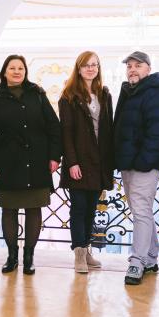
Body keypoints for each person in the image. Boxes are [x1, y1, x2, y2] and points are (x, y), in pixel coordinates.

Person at [0, 55, 61, 275]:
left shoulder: (37, 93)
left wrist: (55, 157)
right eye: (12, 68)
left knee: (34, 210)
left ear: (25, 71)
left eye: (21, 68)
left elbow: (54, 127)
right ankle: (11, 257)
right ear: (4, 72)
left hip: (37, 162)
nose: (17, 71)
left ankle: (29, 258)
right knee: (9, 210)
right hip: (7, 163)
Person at [112, 50, 159, 286]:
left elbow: (158, 132)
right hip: (129, 163)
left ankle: (136, 262)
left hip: (144, 165)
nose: (132, 70)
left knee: (140, 211)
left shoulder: (156, 93)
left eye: (138, 66)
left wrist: (143, 162)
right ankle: (151, 257)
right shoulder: (129, 92)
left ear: (148, 68)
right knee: (142, 210)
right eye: (129, 66)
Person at [58, 51, 114, 273]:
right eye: (86, 65)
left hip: (99, 162)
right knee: (78, 208)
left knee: (92, 208)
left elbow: (108, 128)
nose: (91, 69)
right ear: (78, 68)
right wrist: (71, 162)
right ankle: (78, 253)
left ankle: (87, 249)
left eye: (95, 65)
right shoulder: (68, 97)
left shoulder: (104, 94)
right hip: (79, 162)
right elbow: (66, 132)